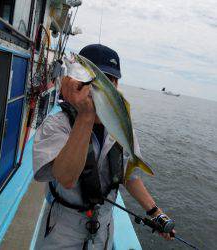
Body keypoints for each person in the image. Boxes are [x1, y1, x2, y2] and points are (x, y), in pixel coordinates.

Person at [33, 44, 174, 249]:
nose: (105, 86)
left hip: (104, 231)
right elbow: (66, 178)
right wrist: (86, 115)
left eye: (113, 80)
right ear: (79, 82)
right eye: (101, 80)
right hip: (62, 232)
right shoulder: (56, 125)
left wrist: (156, 213)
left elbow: (129, 176)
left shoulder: (122, 128)